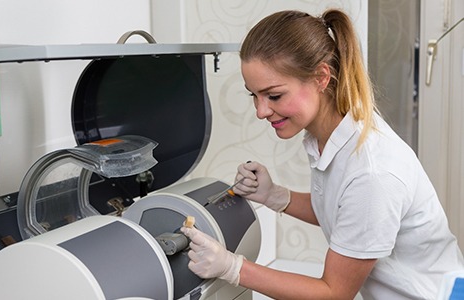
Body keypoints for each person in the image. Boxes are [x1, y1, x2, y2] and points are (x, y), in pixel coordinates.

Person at [180, 8, 464, 299]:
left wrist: (233, 267)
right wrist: (275, 196)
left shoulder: (372, 171)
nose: (261, 111)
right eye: (254, 95)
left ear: (321, 78)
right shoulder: (331, 133)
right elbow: (342, 211)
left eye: (274, 95)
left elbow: (334, 293)